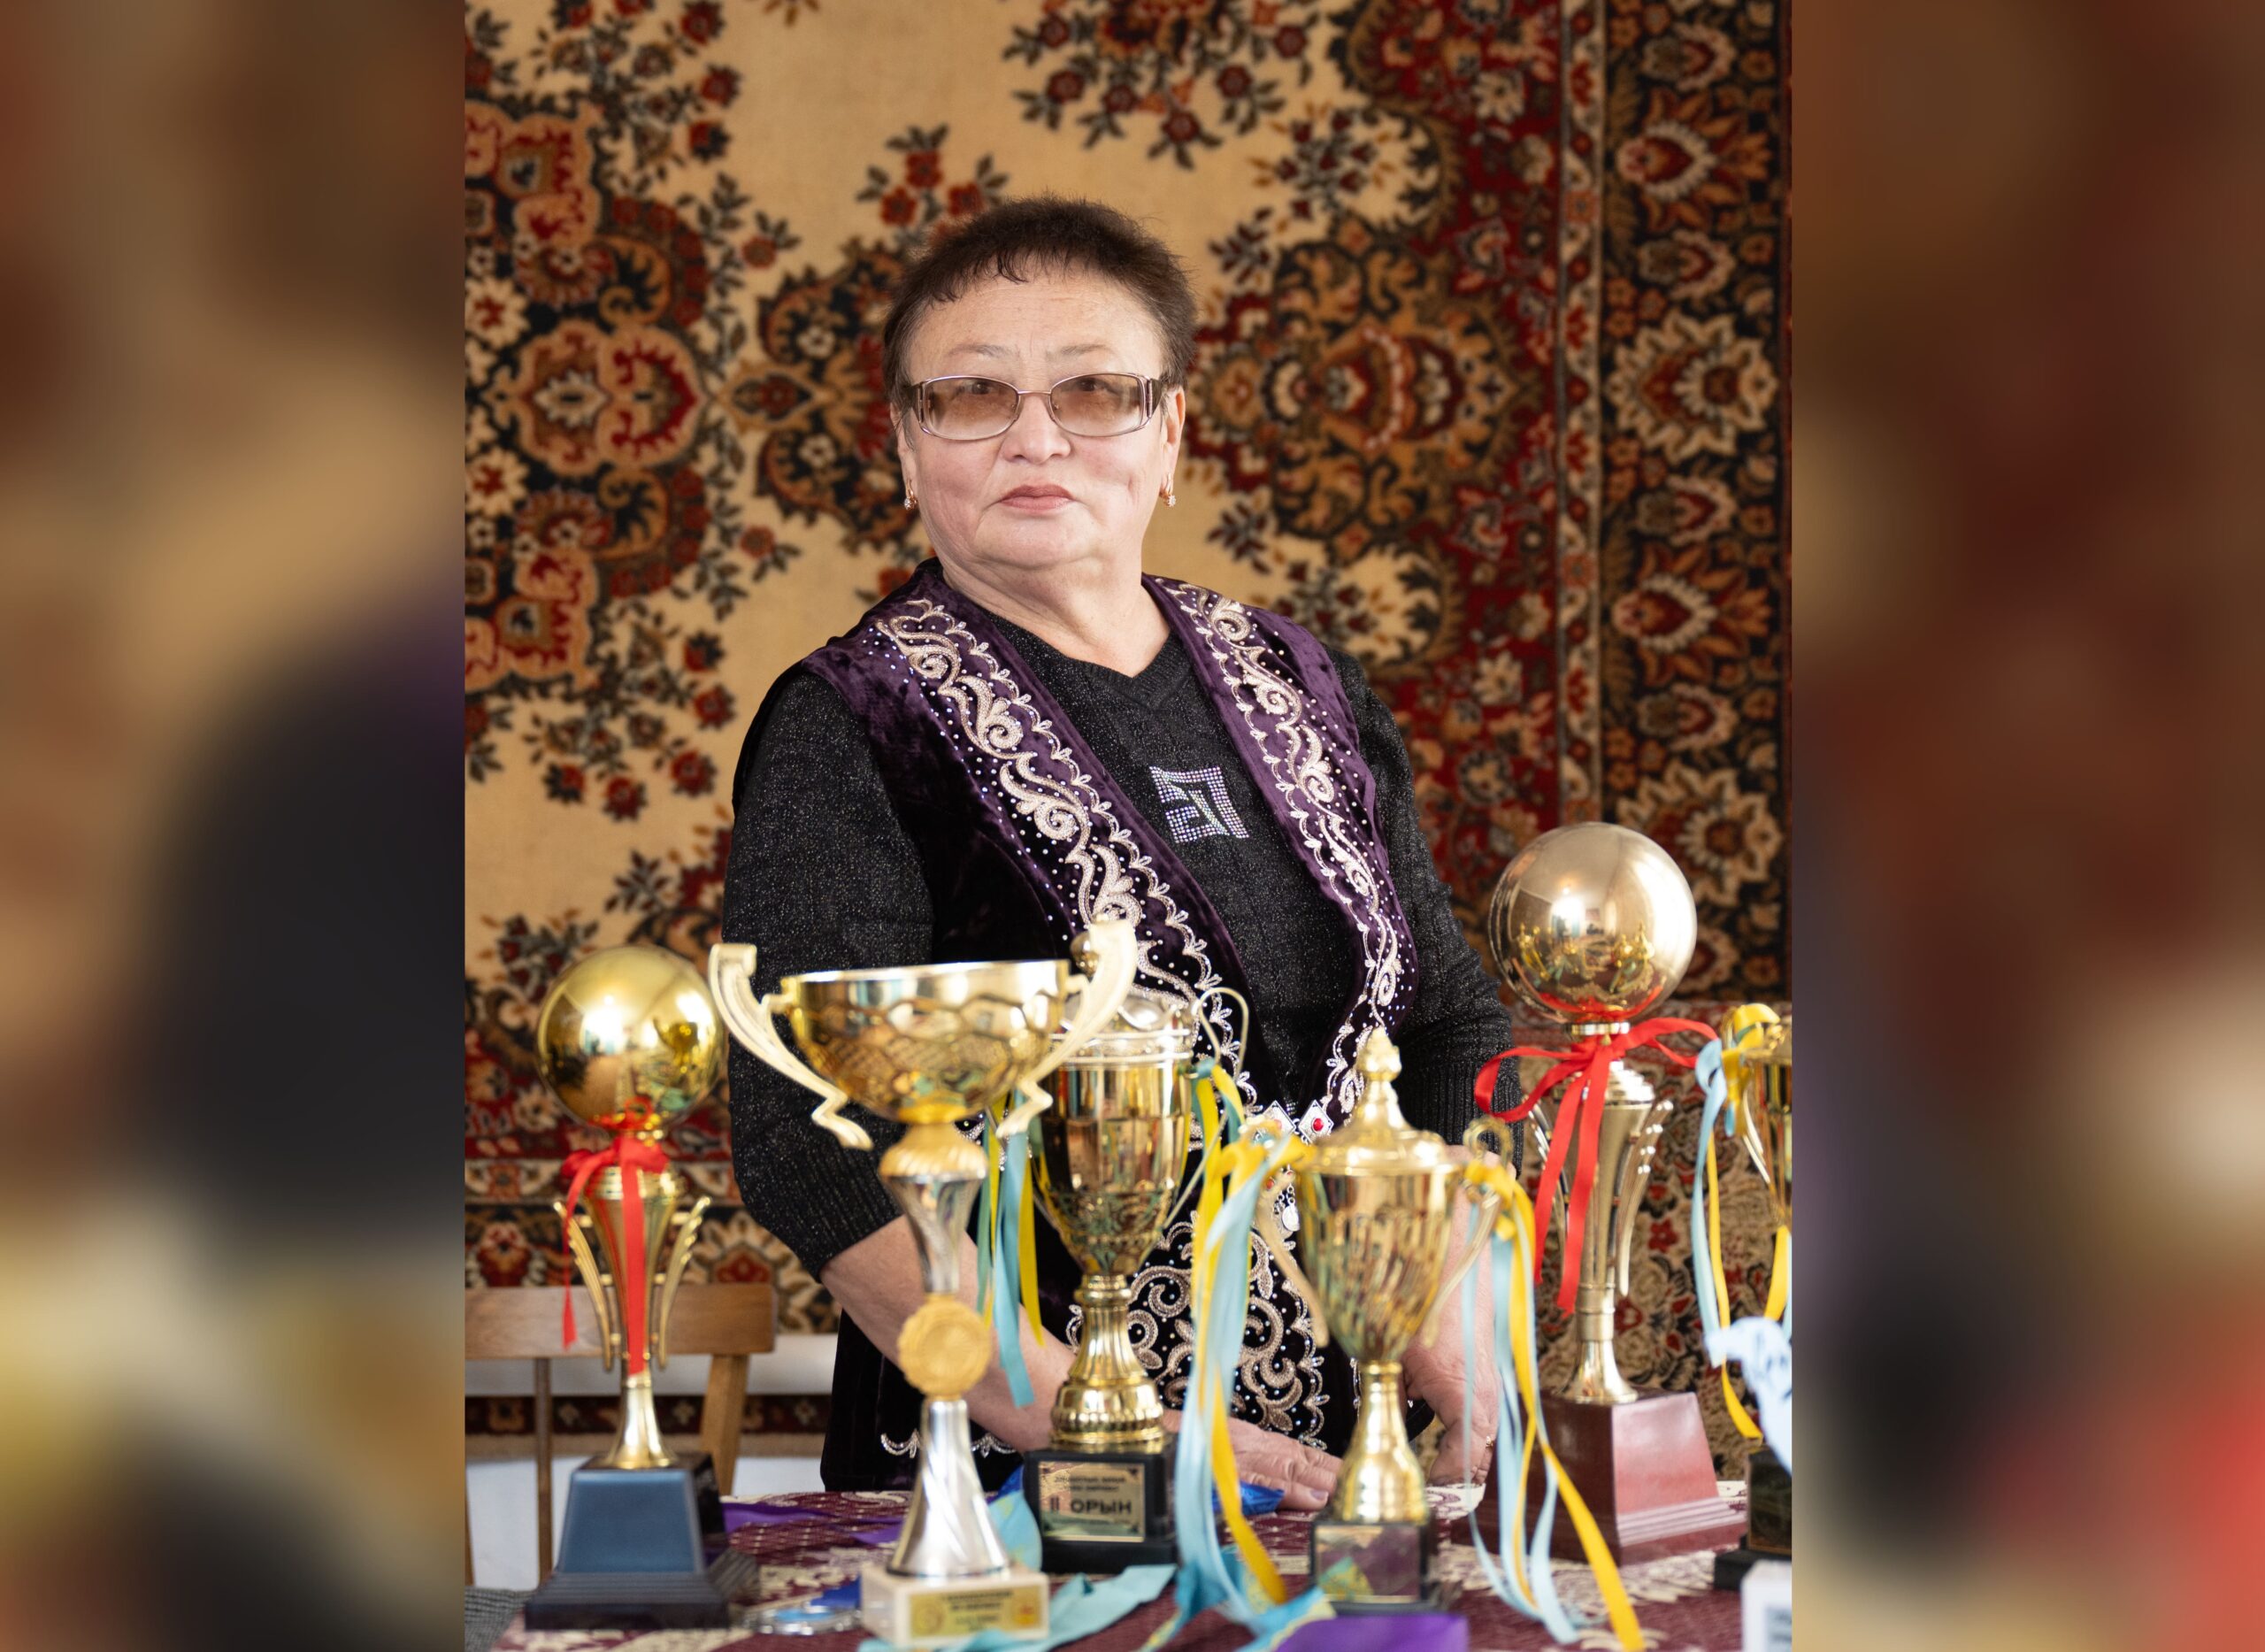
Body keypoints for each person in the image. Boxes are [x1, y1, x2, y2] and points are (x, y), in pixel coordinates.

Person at [721, 196, 1520, 1510]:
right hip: (1030, 1487)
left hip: (1365, 1464)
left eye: (1094, 392)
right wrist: (1107, 1430)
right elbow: (807, 1144)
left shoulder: (1302, 680)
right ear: (907, 447)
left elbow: (1447, 1022)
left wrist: (1447, 1314)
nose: (1037, 437)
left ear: (1169, 435)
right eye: (972, 396)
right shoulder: (853, 724)